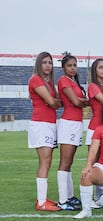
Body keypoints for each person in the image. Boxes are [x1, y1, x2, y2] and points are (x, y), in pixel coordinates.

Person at [28, 51, 62, 211]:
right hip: (41, 124)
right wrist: (55, 102)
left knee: (47, 162)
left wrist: (55, 103)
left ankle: (43, 198)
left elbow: (54, 103)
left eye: (50, 63)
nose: (48, 65)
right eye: (45, 62)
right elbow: (51, 101)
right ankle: (41, 203)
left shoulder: (48, 82)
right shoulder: (35, 79)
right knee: (45, 161)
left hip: (49, 124)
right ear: (38, 64)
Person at [56, 54, 89, 211]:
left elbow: (79, 101)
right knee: (65, 162)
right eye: (69, 65)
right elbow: (76, 102)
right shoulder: (63, 81)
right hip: (68, 123)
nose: (73, 68)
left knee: (69, 162)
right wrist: (91, 100)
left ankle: (69, 196)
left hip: (76, 123)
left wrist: (84, 101)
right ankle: (63, 201)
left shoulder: (74, 82)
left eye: (75, 65)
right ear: (63, 67)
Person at [85, 58, 103, 204]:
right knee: (93, 161)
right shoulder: (93, 86)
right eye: (101, 67)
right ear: (95, 70)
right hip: (95, 127)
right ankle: (89, 197)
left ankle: (99, 195)